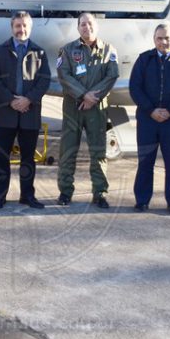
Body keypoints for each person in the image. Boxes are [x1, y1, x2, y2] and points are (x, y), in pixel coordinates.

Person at [129, 23, 170, 215]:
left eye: (167, 38)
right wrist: (151, 110)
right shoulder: (144, 60)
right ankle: (142, 201)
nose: (163, 42)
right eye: (159, 38)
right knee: (145, 162)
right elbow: (135, 87)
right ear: (154, 39)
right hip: (147, 121)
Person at [0, 11, 51, 209]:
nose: (21, 29)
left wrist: (28, 100)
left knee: (28, 158)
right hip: (5, 114)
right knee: (2, 157)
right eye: (18, 26)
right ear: (12, 27)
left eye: (24, 26)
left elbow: (44, 81)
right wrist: (11, 100)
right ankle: (0, 196)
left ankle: (27, 195)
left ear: (30, 28)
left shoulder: (39, 53)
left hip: (29, 114)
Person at [56, 12, 119, 208]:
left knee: (98, 152)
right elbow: (64, 75)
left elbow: (112, 75)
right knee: (68, 151)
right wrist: (84, 95)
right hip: (73, 107)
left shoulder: (109, 50)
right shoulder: (67, 50)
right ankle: (65, 192)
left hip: (97, 109)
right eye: (82, 24)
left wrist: (94, 98)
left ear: (96, 26)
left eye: (90, 24)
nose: (87, 27)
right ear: (78, 28)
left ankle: (99, 193)